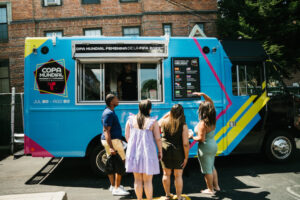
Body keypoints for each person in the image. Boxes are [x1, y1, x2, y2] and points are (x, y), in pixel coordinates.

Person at [125, 99, 162, 200]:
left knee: (137, 180)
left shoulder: (130, 120)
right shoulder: (153, 121)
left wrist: (133, 147)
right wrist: (160, 151)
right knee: (148, 181)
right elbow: (158, 139)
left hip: (134, 153)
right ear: (149, 109)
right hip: (148, 153)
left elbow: (127, 136)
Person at [158, 104, 190, 200]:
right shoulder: (183, 125)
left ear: (171, 112)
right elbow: (185, 144)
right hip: (178, 152)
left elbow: (157, 123)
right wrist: (186, 157)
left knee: (166, 174)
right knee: (178, 175)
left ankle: (167, 195)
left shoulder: (164, 122)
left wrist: (167, 114)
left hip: (165, 151)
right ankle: (179, 197)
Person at [101, 94, 130, 196]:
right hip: (112, 142)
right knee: (120, 163)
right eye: (116, 99)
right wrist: (111, 147)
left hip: (114, 140)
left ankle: (113, 186)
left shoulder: (109, 112)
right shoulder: (108, 113)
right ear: (111, 102)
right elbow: (106, 131)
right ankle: (117, 188)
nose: (118, 100)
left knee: (111, 163)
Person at [192, 92, 220, 195]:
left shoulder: (203, 123)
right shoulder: (213, 119)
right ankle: (216, 186)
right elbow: (211, 103)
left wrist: (191, 137)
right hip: (213, 145)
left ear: (203, 111)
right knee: (212, 166)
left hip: (205, 148)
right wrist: (203, 94)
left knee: (207, 170)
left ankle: (210, 189)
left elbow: (201, 139)